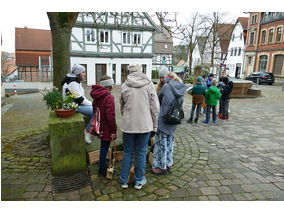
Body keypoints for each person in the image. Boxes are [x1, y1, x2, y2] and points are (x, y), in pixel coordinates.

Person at [119, 63, 160, 190]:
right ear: (141, 70)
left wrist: (126, 117)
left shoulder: (124, 85)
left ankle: (124, 180)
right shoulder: (149, 85)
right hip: (144, 124)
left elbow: (121, 106)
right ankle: (138, 180)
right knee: (141, 153)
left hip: (128, 125)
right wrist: (155, 126)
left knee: (127, 152)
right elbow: (155, 108)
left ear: (129, 71)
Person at [151, 72, 187, 175]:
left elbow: (158, 100)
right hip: (174, 119)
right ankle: (168, 163)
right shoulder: (182, 89)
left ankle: (161, 167)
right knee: (170, 143)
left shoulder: (166, 87)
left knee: (161, 144)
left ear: (169, 78)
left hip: (164, 119)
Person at [90, 75, 117, 176]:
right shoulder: (109, 97)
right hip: (107, 128)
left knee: (103, 147)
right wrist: (113, 131)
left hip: (100, 126)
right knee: (104, 148)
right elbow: (110, 116)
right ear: (109, 86)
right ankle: (102, 168)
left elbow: (94, 111)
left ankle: (103, 165)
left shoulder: (96, 96)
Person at [61, 64, 93, 144]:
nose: (85, 74)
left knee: (95, 113)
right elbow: (81, 100)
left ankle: (92, 128)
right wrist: (93, 104)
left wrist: (92, 103)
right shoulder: (72, 83)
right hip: (72, 106)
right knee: (97, 111)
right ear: (78, 73)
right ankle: (87, 132)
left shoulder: (76, 81)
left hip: (76, 104)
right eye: (83, 72)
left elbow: (81, 97)